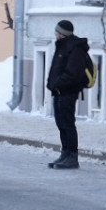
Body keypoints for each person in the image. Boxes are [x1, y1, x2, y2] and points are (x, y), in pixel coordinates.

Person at [46, 19, 89, 169]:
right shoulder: (62, 46)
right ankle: (65, 152)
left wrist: (58, 83)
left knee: (68, 124)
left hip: (68, 92)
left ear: (62, 34)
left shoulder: (74, 48)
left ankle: (72, 156)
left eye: (57, 32)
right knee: (61, 124)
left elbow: (73, 73)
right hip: (58, 92)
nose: (55, 34)